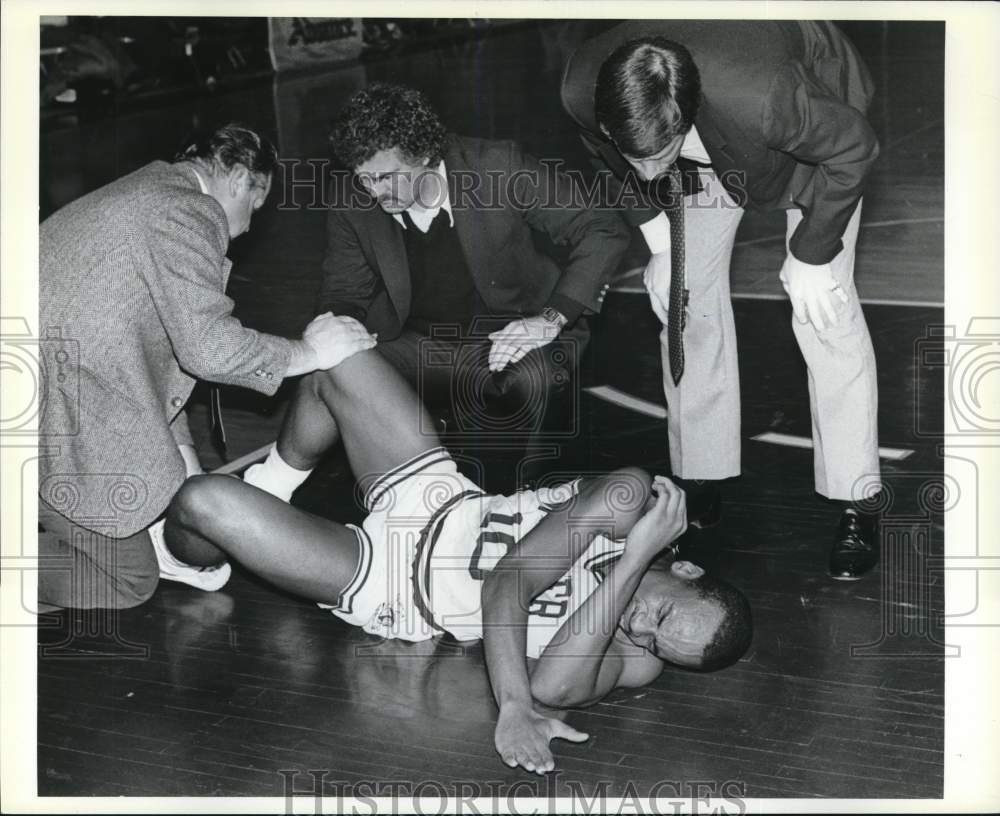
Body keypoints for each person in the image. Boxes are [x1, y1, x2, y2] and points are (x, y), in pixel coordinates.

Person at [163, 332, 753, 774]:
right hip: (442, 499)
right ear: (686, 568)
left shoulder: (636, 657)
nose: (642, 628)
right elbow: (510, 580)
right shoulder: (630, 496)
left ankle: (197, 562)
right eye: (664, 615)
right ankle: (273, 488)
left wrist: (628, 572)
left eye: (655, 642)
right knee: (334, 352)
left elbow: (554, 687)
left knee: (201, 502)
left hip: (396, 581)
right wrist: (512, 705)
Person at [560, 21, 884, 579]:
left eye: (657, 155)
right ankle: (702, 469)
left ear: (685, 121)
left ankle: (856, 496)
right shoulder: (580, 89)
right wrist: (660, 240)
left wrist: (811, 253)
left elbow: (854, 148)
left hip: (816, 132)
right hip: (713, 130)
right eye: (633, 155)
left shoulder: (769, 99)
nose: (645, 173)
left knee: (824, 311)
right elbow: (612, 161)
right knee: (683, 303)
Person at [38, 123, 377, 609]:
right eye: (256, 206)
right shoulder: (188, 211)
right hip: (44, 421)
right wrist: (311, 352)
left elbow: (160, 365)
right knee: (128, 580)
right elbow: (210, 351)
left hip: (52, 389)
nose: (248, 226)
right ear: (239, 179)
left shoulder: (145, 190)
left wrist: (186, 478)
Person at [315, 83, 630, 478]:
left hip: (510, 329)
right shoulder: (352, 200)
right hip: (419, 342)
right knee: (329, 365)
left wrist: (550, 319)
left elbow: (601, 227)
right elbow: (344, 292)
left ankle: (524, 497)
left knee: (538, 380)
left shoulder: (498, 167)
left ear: (426, 154)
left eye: (387, 177)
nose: (375, 192)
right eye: (364, 179)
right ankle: (286, 481)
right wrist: (334, 326)